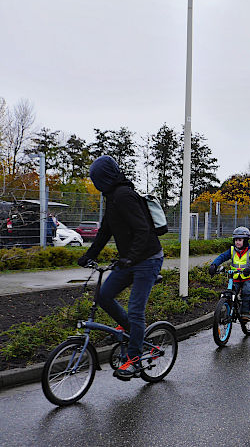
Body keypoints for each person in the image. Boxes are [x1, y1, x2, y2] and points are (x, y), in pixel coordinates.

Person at [76, 156, 164, 381]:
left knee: (135, 310)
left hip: (148, 259)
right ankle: (132, 333)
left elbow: (143, 230)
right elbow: (105, 230)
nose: (96, 184)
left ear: (105, 177)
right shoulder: (112, 197)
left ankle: (134, 359)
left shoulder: (124, 195)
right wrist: (89, 255)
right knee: (103, 296)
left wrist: (130, 258)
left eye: (97, 179)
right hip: (130, 260)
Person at [208, 226, 250, 322]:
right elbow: (222, 257)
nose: (237, 242)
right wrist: (214, 265)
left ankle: (246, 313)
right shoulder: (232, 250)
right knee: (230, 293)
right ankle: (230, 309)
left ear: (246, 240)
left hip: (248, 277)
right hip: (235, 277)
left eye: (240, 240)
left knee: (246, 291)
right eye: (235, 240)